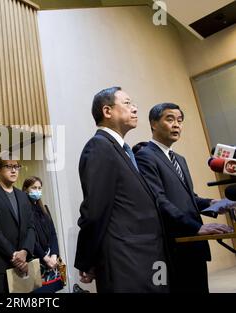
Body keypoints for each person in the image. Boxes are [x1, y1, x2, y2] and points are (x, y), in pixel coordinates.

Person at [74, 86, 170, 293]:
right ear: (107, 111)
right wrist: (87, 258)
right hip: (125, 258)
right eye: (127, 103)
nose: (135, 109)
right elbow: (94, 209)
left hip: (147, 253)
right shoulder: (99, 147)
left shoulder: (124, 150)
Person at [135, 102, 233, 293]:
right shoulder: (145, 157)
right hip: (175, 246)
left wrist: (212, 203)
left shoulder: (179, 159)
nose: (177, 125)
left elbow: (189, 198)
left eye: (180, 120)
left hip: (195, 244)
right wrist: (196, 227)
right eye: (170, 119)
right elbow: (159, 200)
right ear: (153, 124)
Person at [0, 155, 35, 293]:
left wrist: (25, 251)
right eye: (9, 166)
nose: (14, 170)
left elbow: (31, 227)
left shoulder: (22, 196)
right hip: (0, 264)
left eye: (16, 166)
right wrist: (14, 255)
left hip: (24, 261)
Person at [22, 176, 62, 293]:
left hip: (51, 260)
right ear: (25, 190)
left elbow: (53, 234)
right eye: (34, 188)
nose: (37, 191)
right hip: (36, 260)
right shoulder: (24, 210)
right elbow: (30, 238)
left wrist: (54, 255)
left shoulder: (44, 209)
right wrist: (45, 258)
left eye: (39, 188)